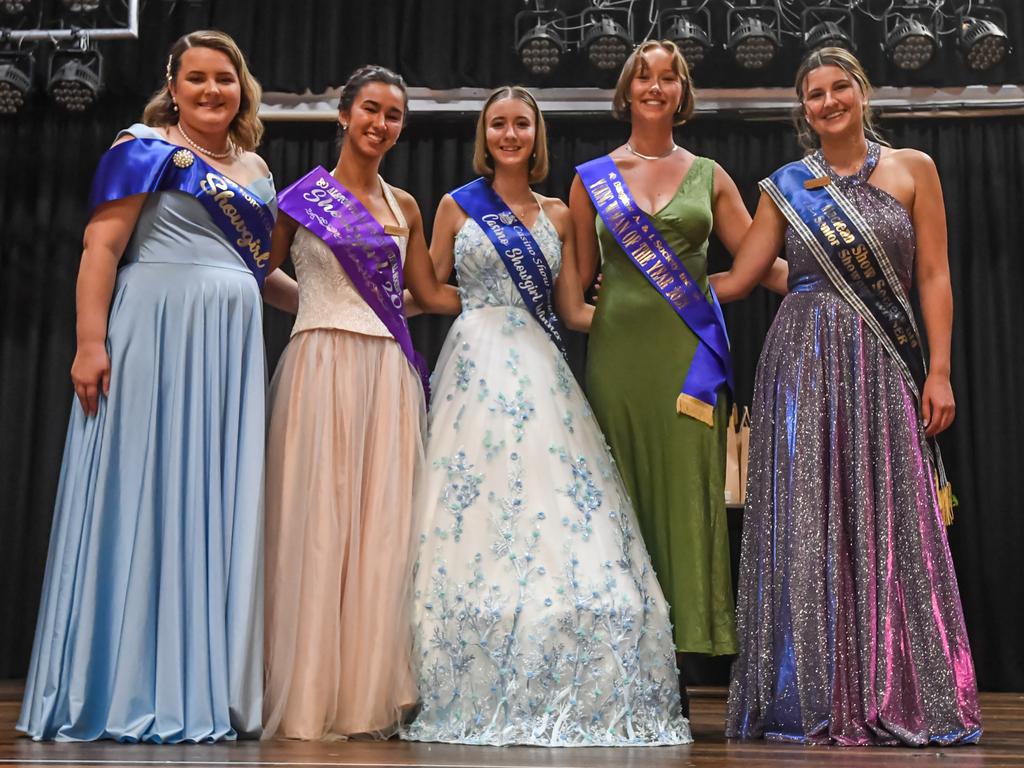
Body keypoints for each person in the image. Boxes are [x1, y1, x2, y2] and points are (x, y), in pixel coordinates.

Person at [401, 85, 689, 747]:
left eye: (520, 124)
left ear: (537, 135)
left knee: (557, 505)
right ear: (485, 134)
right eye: (497, 124)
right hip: (473, 360)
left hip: (542, 365)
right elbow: (437, 289)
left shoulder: (561, 214)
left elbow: (574, 310)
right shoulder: (453, 205)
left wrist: (652, 318)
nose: (509, 134)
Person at [715, 47, 981, 746]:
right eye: (814, 94)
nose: (828, 102)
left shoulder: (913, 169)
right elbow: (744, 276)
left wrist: (941, 369)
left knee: (887, 512)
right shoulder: (785, 187)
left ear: (862, 93)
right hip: (801, 360)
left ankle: (898, 688)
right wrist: (647, 289)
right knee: (807, 519)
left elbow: (933, 276)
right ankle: (808, 692)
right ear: (801, 108)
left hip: (885, 360)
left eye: (840, 89)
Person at [18, 31, 274, 742]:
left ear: (240, 86)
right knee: (142, 491)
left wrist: (342, 295)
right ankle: (124, 680)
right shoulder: (142, 147)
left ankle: (198, 683)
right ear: (173, 82)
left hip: (226, 355)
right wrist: (90, 343)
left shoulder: (253, 167)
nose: (211, 91)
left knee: (209, 503)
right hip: (152, 334)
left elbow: (260, 273)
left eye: (224, 78)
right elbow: (100, 246)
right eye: (196, 78)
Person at [568, 40, 784, 706]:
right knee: (620, 497)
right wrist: (612, 313)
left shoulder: (710, 174)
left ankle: (680, 665)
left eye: (669, 77)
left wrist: (824, 285)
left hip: (689, 360)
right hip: (618, 361)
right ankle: (625, 662)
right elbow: (573, 298)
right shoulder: (589, 178)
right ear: (626, 90)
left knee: (688, 500)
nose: (656, 87)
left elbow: (757, 267)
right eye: (644, 77)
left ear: (681, 93)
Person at [261, 65, 460, 741]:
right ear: (343, 114)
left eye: (394, 115)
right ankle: (310, 691)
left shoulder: (405, 206)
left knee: (382, 531)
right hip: (318, 363)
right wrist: (317, 306)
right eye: (370, 110)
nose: (380, 124)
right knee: (315, 527)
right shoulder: (299, 198)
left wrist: (517, 299)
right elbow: (263, 273)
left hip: (386, 372)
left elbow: (428, 296)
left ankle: (368, 695)